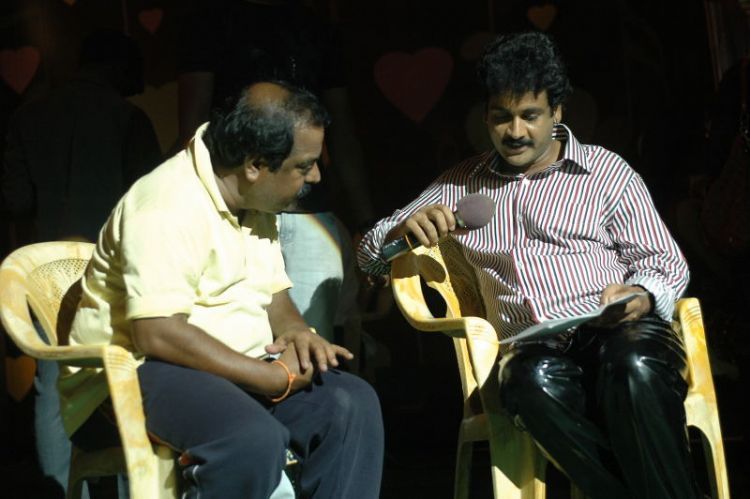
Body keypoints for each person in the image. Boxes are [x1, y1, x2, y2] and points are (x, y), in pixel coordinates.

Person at [358, 32, 700, 499]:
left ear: (557, 111)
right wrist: (401, 232)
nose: (515, 131)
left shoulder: (605, 172)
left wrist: (640, 295)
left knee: (634, 365)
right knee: (526, 381)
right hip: (533, 348)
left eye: (530, 115)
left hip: (619, 332)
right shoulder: (460, 185)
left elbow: (663, 261)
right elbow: (370, 255)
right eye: (501, 117)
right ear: (486, 116)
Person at [67, 81, 384, 498]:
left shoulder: (253, 197)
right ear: (255, 164)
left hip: (231, 370)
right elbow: (156, 332)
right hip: (133, 374)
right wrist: (269, 379)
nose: (316, 175)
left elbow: (273, 292)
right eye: (304, 165)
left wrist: (296, 332)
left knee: (351, 403)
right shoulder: (166, 204)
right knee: (250, 440)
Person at [1, 29, 161, 496]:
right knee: (129, 379)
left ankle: (60, 489)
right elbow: (152, 206)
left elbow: (14, 199)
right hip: (116, 270)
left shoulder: (28, 117)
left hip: (46, 271)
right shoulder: (128, 118)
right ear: (117, 65)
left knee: (52, 386)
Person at [175, 0, 374, 358]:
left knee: (311, 350)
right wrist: (190, 202)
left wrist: (364, 221)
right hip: (233, 208)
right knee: (233, 343)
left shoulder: (317, 27)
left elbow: (342, 130)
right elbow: (193, 126)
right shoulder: (208, 20)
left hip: (308, 211)